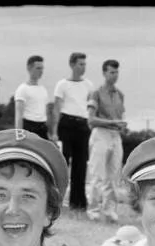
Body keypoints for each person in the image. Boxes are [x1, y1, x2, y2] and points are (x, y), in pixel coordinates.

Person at [51, 52, 93, 211]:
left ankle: (79, 203)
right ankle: (56, 201)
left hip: (83, 126)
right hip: (66, 124)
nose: (83, 67)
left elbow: (90, 107)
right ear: (72, 65)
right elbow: (56, 109)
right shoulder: (62, 84)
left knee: (80, 165)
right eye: (80, 64)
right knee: (63, 163)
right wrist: (54, 132)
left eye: (84, 64)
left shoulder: (88, 85)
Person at [86, 59, 126, 223]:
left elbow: (120, 116)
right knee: (97, 174)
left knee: (114, 175)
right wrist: (112, 122)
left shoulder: (120, 95)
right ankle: (93, 209)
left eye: (116, 72)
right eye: (111, 72)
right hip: (100, 134)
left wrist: (120, 125)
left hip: (115, 136)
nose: (114, 75)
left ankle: (109, 210)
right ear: (104, 73)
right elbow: (91, 119)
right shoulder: (96, 93)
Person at [14, 55, 49, 138]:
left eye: (42, 68)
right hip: (29, 127)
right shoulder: (22, 89)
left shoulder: (43, 90)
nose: (41, 71)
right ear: (29, 68)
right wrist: (19, 134)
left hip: (42, 127)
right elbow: (19, 115)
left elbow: (45, 113)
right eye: (38, 68)